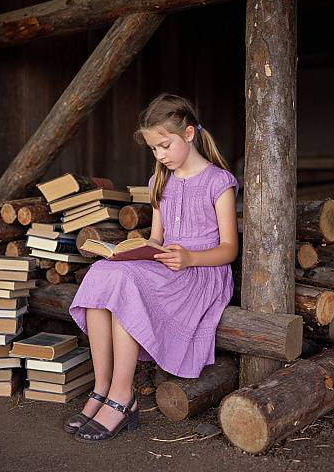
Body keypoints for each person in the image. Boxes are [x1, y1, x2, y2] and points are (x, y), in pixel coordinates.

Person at [66, 93, 239, 442]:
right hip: (167, 266)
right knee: (103, 273)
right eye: (153, 149)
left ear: (189, 134)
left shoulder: (219, 182)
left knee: (128, 284)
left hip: (201, 274)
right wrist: (133, 251)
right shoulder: (160, 181)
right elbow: (158, 238)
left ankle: (122, 395)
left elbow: (229, 249)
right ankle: (101, 388)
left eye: (164, 146)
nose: (159, 155)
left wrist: (190, 258)